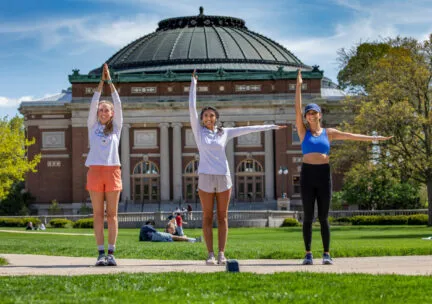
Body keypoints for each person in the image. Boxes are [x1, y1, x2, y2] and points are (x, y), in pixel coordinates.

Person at [294, 69, 392, 265]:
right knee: (308, 216)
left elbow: (352, 136)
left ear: (320, 115)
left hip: (323, 174)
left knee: (323, 216)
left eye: (314, 113)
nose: (311, 116)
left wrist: (375, 138)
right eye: (309, 114)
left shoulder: (328, 133)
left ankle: (327, 254)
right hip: (307, 174)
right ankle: (307, 254)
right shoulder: (303, 131)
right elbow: (296, 108)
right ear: (306, 117)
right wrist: (298, 85)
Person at [189, 70, 286, 265]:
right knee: (207, 216)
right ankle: (209, 254)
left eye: (211, 115)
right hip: (206, 176)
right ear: (201, 119)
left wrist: (272, 127)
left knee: (223, 217)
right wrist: (193, 83)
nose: (208, 118)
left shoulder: (224, 132)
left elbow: (248, 129)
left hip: (223, 176)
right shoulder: (198, 132)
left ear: (216, 118)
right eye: (205, 116)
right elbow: (191, 107)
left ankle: (222, 253)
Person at [85, 63, 123, 267]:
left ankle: (111, 253)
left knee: (113, 214)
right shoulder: (92, 127)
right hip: (95, 172)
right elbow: (93, 103)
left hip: (112, 171)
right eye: (101, 110)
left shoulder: (117, 128)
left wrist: (110, 84)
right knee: (98, 214)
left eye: (106, 110)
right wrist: (101, 84)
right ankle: (100, 253)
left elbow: (118, 103)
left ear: (112, 113)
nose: (102, 112)